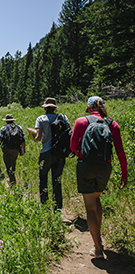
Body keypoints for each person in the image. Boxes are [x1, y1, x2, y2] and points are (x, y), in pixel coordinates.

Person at [70, 96, 128, 259]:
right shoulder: (112, 124)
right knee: (97, 199)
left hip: (85, 166)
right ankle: (99, 236)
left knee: (89, 207)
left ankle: (97, 248)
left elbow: (73, 146)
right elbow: (120, 151)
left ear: (89, 108)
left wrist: (81, 154)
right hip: (105, 167)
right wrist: (124, 173)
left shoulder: (81, 122)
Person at [34, 97, 70, 210]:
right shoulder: (63, 118)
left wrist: (34, 137)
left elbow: (38, 138)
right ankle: (57, 207)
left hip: (46, 152)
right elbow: (69, 133)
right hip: (60, 153)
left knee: (43, 179)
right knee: (57, 180)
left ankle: (44, 206)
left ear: (45, 108)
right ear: (54, 108)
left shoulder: (41, 118)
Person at [0, 114, 25, 184]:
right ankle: (12, 179)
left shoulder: (4, 128)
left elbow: (0, 139)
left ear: (6, 121)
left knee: (8, 166)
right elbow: (23, 139)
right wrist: (23, 150)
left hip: (7, 149)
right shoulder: (19, 127)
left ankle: (12, 183)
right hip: (16, 149)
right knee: (13, 164)